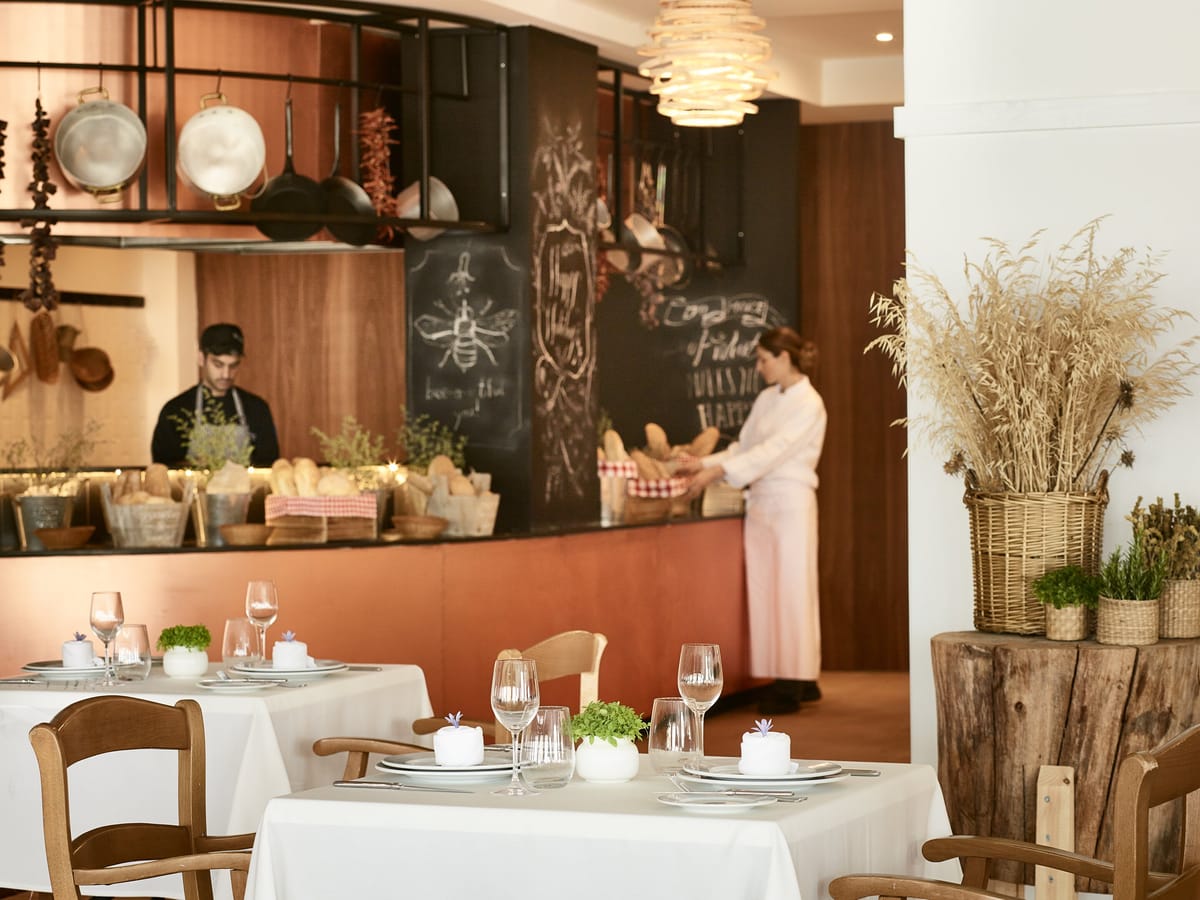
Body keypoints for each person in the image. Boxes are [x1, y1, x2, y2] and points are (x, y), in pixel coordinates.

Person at [676, 327, 827, 715]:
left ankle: (792, 682)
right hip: (761, 501)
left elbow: (774, 451)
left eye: (763, 359)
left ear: (784, 357)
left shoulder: (810, 403)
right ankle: (798, 677)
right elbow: (745, 448)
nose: (759, 367)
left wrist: (718, 472)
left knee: (792, 589)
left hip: (790, 502)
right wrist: (703, 463)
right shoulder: (766, 399)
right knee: (766, 589)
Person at [151, 323, 280, 468]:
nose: (226, 374)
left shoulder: (257, 408)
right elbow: (162, 467)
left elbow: (268, 464)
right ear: (201, 358)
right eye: (218, 365)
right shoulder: (175, 410)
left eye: (233, 366)